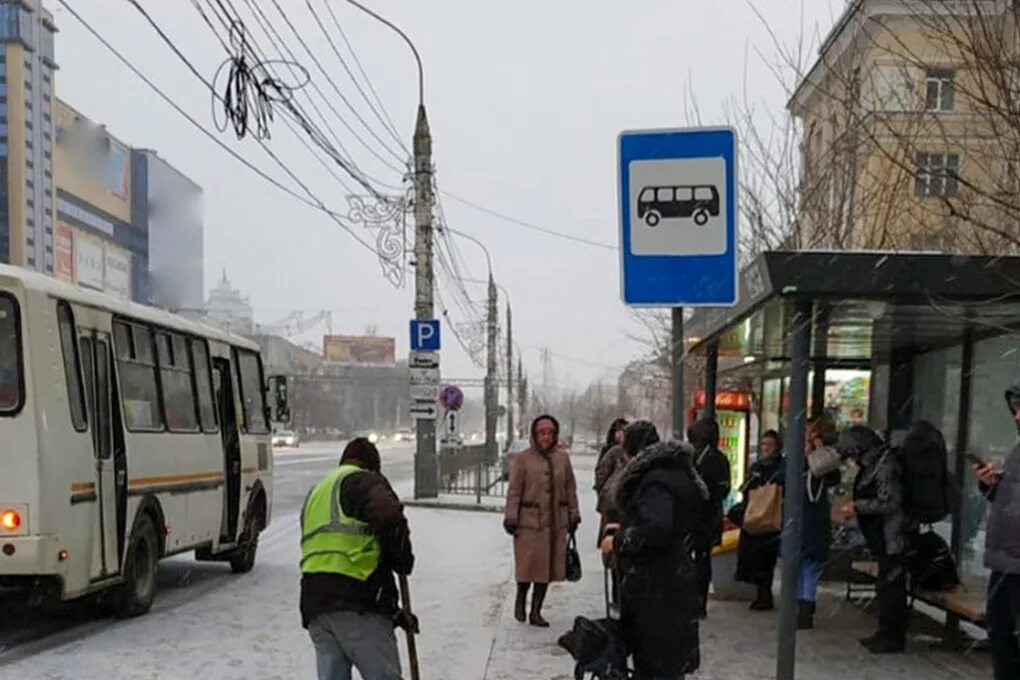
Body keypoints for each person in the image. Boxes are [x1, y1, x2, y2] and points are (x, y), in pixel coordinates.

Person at [300, 438, 415, 680]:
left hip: (317, 607)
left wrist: (393, 612)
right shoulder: (363, 481)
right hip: (359, 603)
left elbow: (335, 552)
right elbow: (389, 516)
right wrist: (402, 556)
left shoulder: (317, 491)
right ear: (373, 465)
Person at [614, 421, 707, 679]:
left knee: (655, 662)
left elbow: (657, 528)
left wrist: (623, 538)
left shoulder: (655, 481)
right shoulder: (679, 474)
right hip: (676, 580)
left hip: (657, 587)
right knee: (670, 662)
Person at [836, 425, 913, 654]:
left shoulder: (885, 465)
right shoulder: (876, 463)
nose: (852, 460)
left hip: (894, 537)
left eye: (853, 454)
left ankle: (892, 636)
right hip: (884, 537)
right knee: (886, 586)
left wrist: (857, 507)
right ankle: (885, 632)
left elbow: (891, 502)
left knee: (891, 588)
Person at [504, 414, 581, 627]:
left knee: (546, 571)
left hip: (556, 523)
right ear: (535, 435)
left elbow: (570, 488)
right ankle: (521, 599)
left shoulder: (562, 458)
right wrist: (511, 517)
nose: (546, 437)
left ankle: (536, 611)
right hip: (528, 523)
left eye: (550, 433)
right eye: (542, 433)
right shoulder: (523, 459)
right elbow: (514, 492)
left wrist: (574, 514)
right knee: (528, 567)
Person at [974, 381, 1020, 680]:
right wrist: (991, 484)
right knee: (999, 628)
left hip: (1014, 558)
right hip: (1007, 559)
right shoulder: (1018, 450)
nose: (1016, 417)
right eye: (1016, 410)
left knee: (1003, 630)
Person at [797, 417, 842, 630]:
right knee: (805, 567)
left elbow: (829, 473)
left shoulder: (819, 466)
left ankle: (804, 609)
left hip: (809, 521)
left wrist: (816, 449)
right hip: (807, 521)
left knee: (807, 567)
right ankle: (803, 606)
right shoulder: (802, 461)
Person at [735, 430, 785, 611]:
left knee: (766, 558)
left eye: (769, 445)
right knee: (755, 556)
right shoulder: (757, 467)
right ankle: (760, 593)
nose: (765, 449)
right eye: (763, 444)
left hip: (771, 515)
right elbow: (746, 488)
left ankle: (765, 595)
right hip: (756, 514)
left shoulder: (781, 467)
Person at [688, 417, 732, 618]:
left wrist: (705, 492)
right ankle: (690, 599)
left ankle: (699, 602)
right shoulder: (689, 456)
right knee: (690, 560)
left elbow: (723, 489)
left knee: (703, 561)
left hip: (706, 518)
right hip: (691, 518)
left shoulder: (718, 459)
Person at [595, 418, 629, 545]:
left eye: (624, 431)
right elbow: (600, 474)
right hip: (611, 503)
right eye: (618, 431)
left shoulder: (631, 451)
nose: (620, 435)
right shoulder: (610, 451)